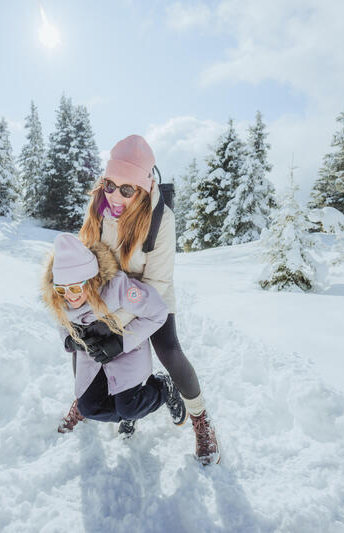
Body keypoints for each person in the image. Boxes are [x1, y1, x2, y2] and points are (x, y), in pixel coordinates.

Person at [59, 134, 221, 466]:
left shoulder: (161, 221)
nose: (115, 196)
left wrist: (116, 328)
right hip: (106, 291)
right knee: (82, 340)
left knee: (169, 350)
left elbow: (157, 284)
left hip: (150, 295)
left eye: (127, 189)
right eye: (109, 185)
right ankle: (84, 397)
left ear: (145, 187)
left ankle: (199, 419)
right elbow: (84, 255)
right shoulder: (100, 206)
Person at [43, 233, 187, 434]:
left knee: (130, 407)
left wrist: (120, 342)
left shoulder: (118, 288)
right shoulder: (61, 297)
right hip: (94, 359)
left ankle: (164, 388)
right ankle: (129, 414)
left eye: (75, 288)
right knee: (89, 408)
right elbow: (61, 319)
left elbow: (158, 312)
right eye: (62, 289)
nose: (69, 296)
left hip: (126, 350)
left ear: (91, 280)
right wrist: (70, 339)